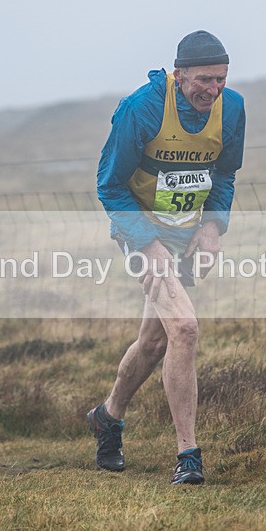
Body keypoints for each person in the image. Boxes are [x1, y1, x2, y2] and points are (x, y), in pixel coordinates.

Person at [88, 30, 246, 485]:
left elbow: (224, 173)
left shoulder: (232, 108)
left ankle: (107, 417)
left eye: (220, 80)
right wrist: (147, 245)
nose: (211, 90)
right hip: (140, 229)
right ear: (179, 75)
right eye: (202, 80)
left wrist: (213, 226)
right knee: (185, 328)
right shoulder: (142, 109)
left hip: (185, 232)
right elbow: (110, 186)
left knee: (156, 342)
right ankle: (188, 456)